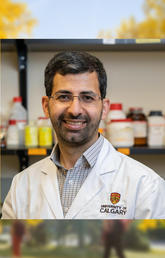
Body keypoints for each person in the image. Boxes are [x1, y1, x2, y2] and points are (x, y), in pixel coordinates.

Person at [2, 51, 165, 219]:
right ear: (46, 105)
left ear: (105, 108)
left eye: (87, 97)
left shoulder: (146, 186)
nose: (75, 110)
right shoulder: (21, 185)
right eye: (63, 97)